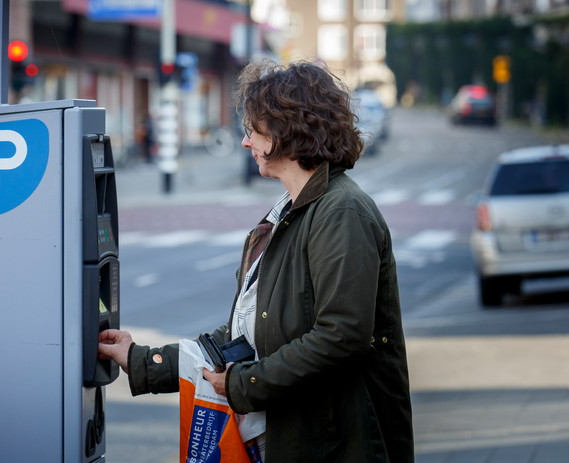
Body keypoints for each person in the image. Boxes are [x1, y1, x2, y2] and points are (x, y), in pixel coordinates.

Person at [98, 60, 414, 462]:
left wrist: (244, 384)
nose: (246, 142)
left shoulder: (341, 211)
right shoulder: (289, 212)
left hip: (334, 447)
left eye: (253, 130)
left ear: (287, 130)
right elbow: (243, 337)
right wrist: (142, 360)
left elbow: (342, 336)